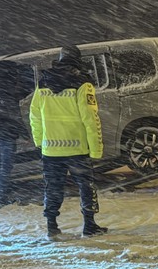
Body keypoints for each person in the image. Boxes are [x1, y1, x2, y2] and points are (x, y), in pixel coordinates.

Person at [29, 45, 107, 238]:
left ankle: (51, 226)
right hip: (77, 149)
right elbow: (90, 118)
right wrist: (96, 149)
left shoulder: (43, 82)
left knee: (53, 187)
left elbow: (34, 116)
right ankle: (89, 226)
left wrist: (40, 141)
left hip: (51, 150)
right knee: (86, 187)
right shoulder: (82, 82)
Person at [0, 60, 26, 205]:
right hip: (7, 132)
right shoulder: (9, 89)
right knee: (6, 166)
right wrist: (24, 132)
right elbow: (13, 113)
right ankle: (0, 197)